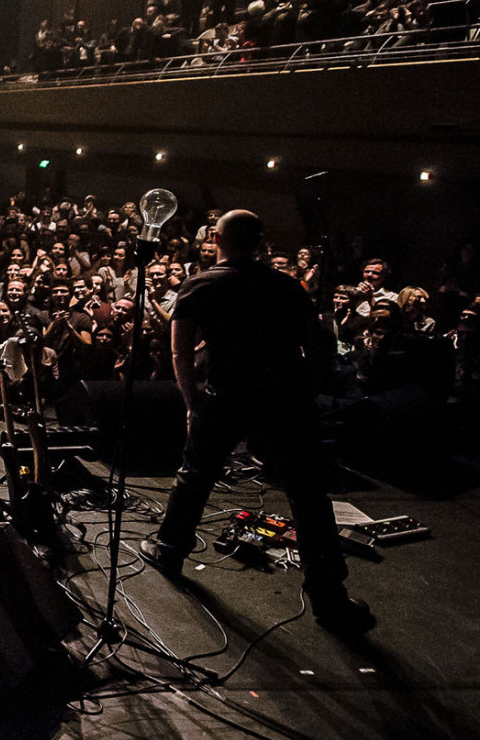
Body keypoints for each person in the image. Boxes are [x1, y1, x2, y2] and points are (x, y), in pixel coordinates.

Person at [147, 210, 373, 632]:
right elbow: (316, 344)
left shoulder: (199, 285)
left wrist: (192, 403)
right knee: (308, 495)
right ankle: (329, 596)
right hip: (284, 397)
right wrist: (307, 390)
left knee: (195, 476)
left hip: (227, 394)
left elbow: (179, 352)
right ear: (260, 243)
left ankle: (169, 551)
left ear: (216, 239)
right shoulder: (286, 285)